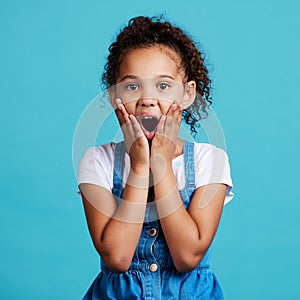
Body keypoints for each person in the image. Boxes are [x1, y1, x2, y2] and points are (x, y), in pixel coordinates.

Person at [77, 15, 234, 300]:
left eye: (162, 86)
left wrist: (160, 165)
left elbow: (187, 256)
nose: (147, 99)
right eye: (132, 86)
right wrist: (140, 166)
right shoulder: (96, 161)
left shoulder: (210, 161)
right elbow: (117, 258)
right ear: (115, 97)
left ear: (187, 94)